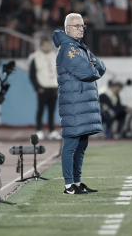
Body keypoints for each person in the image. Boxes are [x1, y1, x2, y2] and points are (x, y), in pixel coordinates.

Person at [52, 13, 106, 195]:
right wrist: (93, 66)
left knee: (81, 145)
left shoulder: (79, 47)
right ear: (67, 29)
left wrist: (94, 65)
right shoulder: (68, 49)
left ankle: (77, 182)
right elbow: (88, 72)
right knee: (71, 144)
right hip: (74, 104)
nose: (80, 28)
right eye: (76, 26)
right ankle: (69, 186)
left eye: (82, 25)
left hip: (81, 104)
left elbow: (101, 66)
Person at [29, 38, 61, 140]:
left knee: (52, 111)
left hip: (53, 88)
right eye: (45, 45)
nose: (47, 47)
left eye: (48, 45)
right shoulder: (35, 57)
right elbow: (32, 74)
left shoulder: (54, 56)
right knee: (40, 110)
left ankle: (51, 130)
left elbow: (59, 71)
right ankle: (39, 130)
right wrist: (37, 88)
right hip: (42, 88)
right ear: (41, 46)